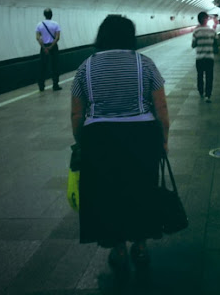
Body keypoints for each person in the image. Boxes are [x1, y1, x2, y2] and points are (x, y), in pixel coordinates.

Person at [70, 15, 170, 282]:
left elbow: (77, 114)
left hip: (99, 139)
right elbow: (160, 107)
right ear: (130, 37)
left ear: (101, 36)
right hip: (141, 137)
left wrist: (83, 143)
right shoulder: (145, 64)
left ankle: (118, 250)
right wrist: (163, 139)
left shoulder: (85, 68)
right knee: (140, 191)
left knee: (108, 195)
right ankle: (140, 246)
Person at [192, 12, 219, 102]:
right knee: (209, 76)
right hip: (209, 58)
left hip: (199, 58)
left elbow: (193, 45)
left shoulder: (196, 31)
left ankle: (201, 92)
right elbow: (217, 43)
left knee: (200, 75)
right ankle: (208, 95)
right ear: (207, 20)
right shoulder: (212, 31)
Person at [36, 8, 62, 91]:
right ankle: (55, 85)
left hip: (44, 47)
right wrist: (51, 47)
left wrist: (44, 48)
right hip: (53, 47)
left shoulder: (39, 25)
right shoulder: (55, 24)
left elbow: (38, 38)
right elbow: (57, 37)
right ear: (51, 15)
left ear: (44, 15)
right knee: (55, 66)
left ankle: (41, 86)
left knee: (42, 66)